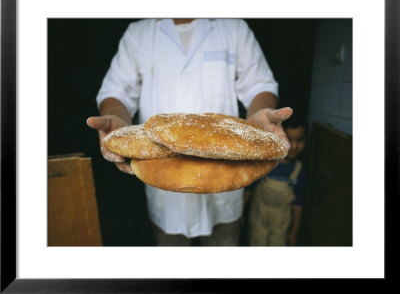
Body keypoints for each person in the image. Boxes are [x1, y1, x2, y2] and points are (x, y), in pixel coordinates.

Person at [86, 18, 292, 246]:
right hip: (162, 179)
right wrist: (117, 117)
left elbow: (259, 85)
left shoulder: (233, 27)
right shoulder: (139, 33)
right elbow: (116, 91)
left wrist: (260, 114)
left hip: (226, 182)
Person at [246, 115, 307, 246]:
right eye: (289, 140)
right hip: (258, 220)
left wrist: (294, 232)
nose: (294, 146)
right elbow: (249, 189)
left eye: (300, 140)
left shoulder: (299, 170)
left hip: (281, 226)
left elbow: (298, 205)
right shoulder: (265, 164)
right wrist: (239, 212)